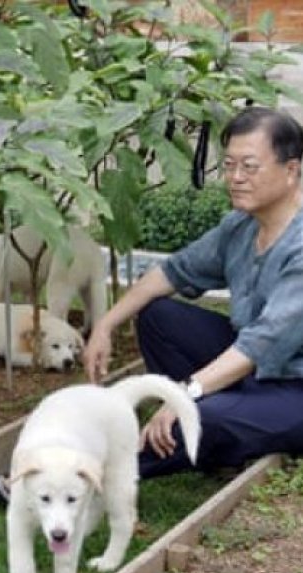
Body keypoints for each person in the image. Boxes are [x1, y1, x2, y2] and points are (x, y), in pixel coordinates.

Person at [84, 105, 303, 478]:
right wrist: (105, 324)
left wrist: (185, 394)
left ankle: (86, 475)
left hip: (294, 389)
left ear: (292, 170)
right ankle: (222, 438)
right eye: (229, 165)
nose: (235, 177)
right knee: (158, 316)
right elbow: (173, 271)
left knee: (203, 417)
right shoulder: (241, 227)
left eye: (249, 167)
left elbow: (261, 344)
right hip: (252, 370)